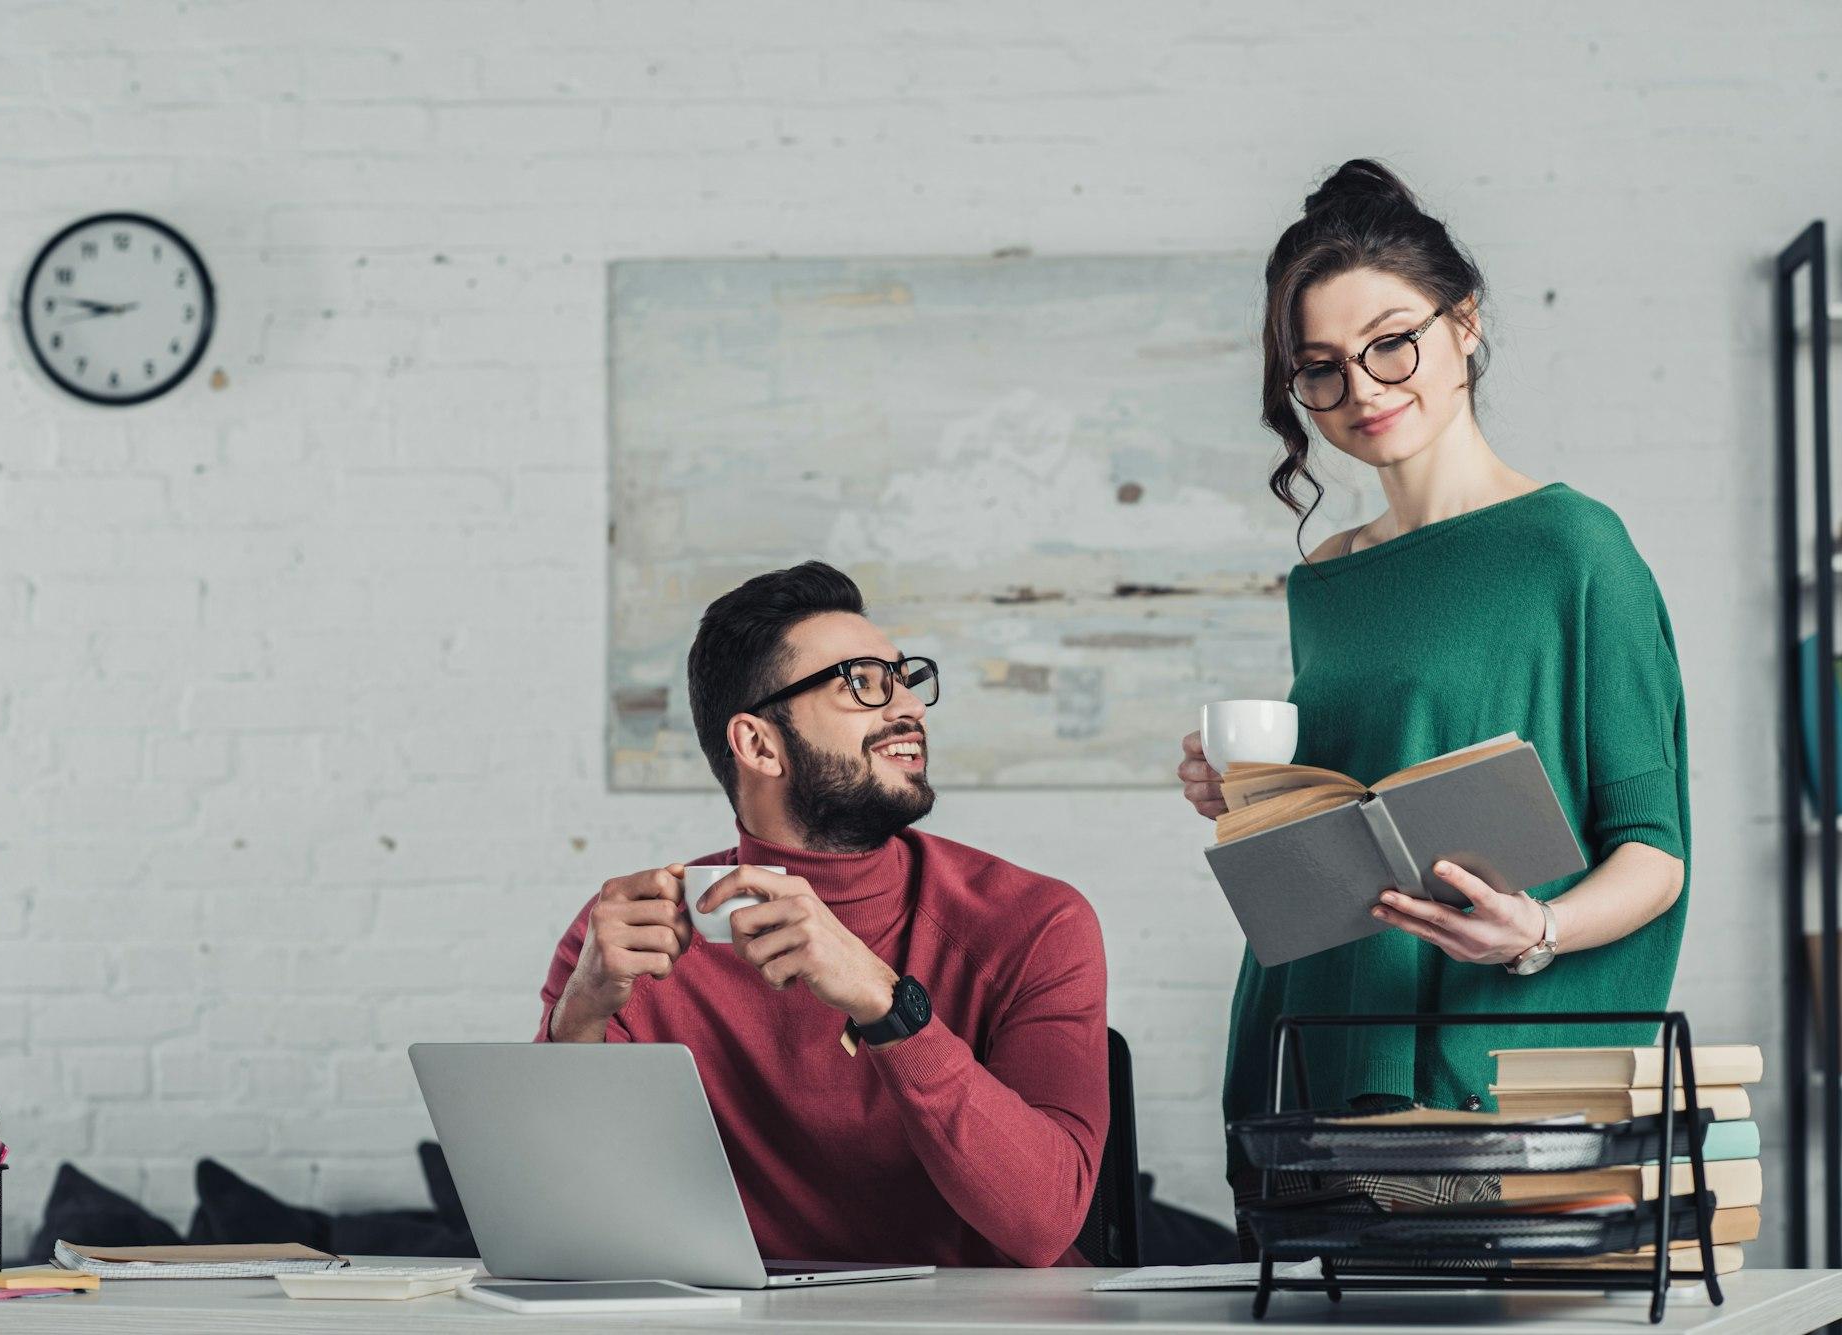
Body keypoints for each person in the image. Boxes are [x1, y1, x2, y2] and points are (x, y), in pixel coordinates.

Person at [1178, 160, 1689, 1242]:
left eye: (1388, 342)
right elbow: (1349, 833)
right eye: (1318, 368)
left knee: (1469, 1292)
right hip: (1314, 1063)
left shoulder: (1572, 549)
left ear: (1463, 324)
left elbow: (1653, 848)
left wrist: (1532, 931)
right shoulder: (1322, 584)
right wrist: (1247, 802)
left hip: (1479, 1089)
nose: (1360, 389)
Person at [536, 561, 1109, 1267]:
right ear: (759, 744)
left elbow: (1044, 1222)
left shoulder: (1034, 921)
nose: (910, 709)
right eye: (865, 683)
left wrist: (885, 1002)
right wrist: (579, 1016)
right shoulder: (632, 941)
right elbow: (562, 1226)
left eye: (905, 680)